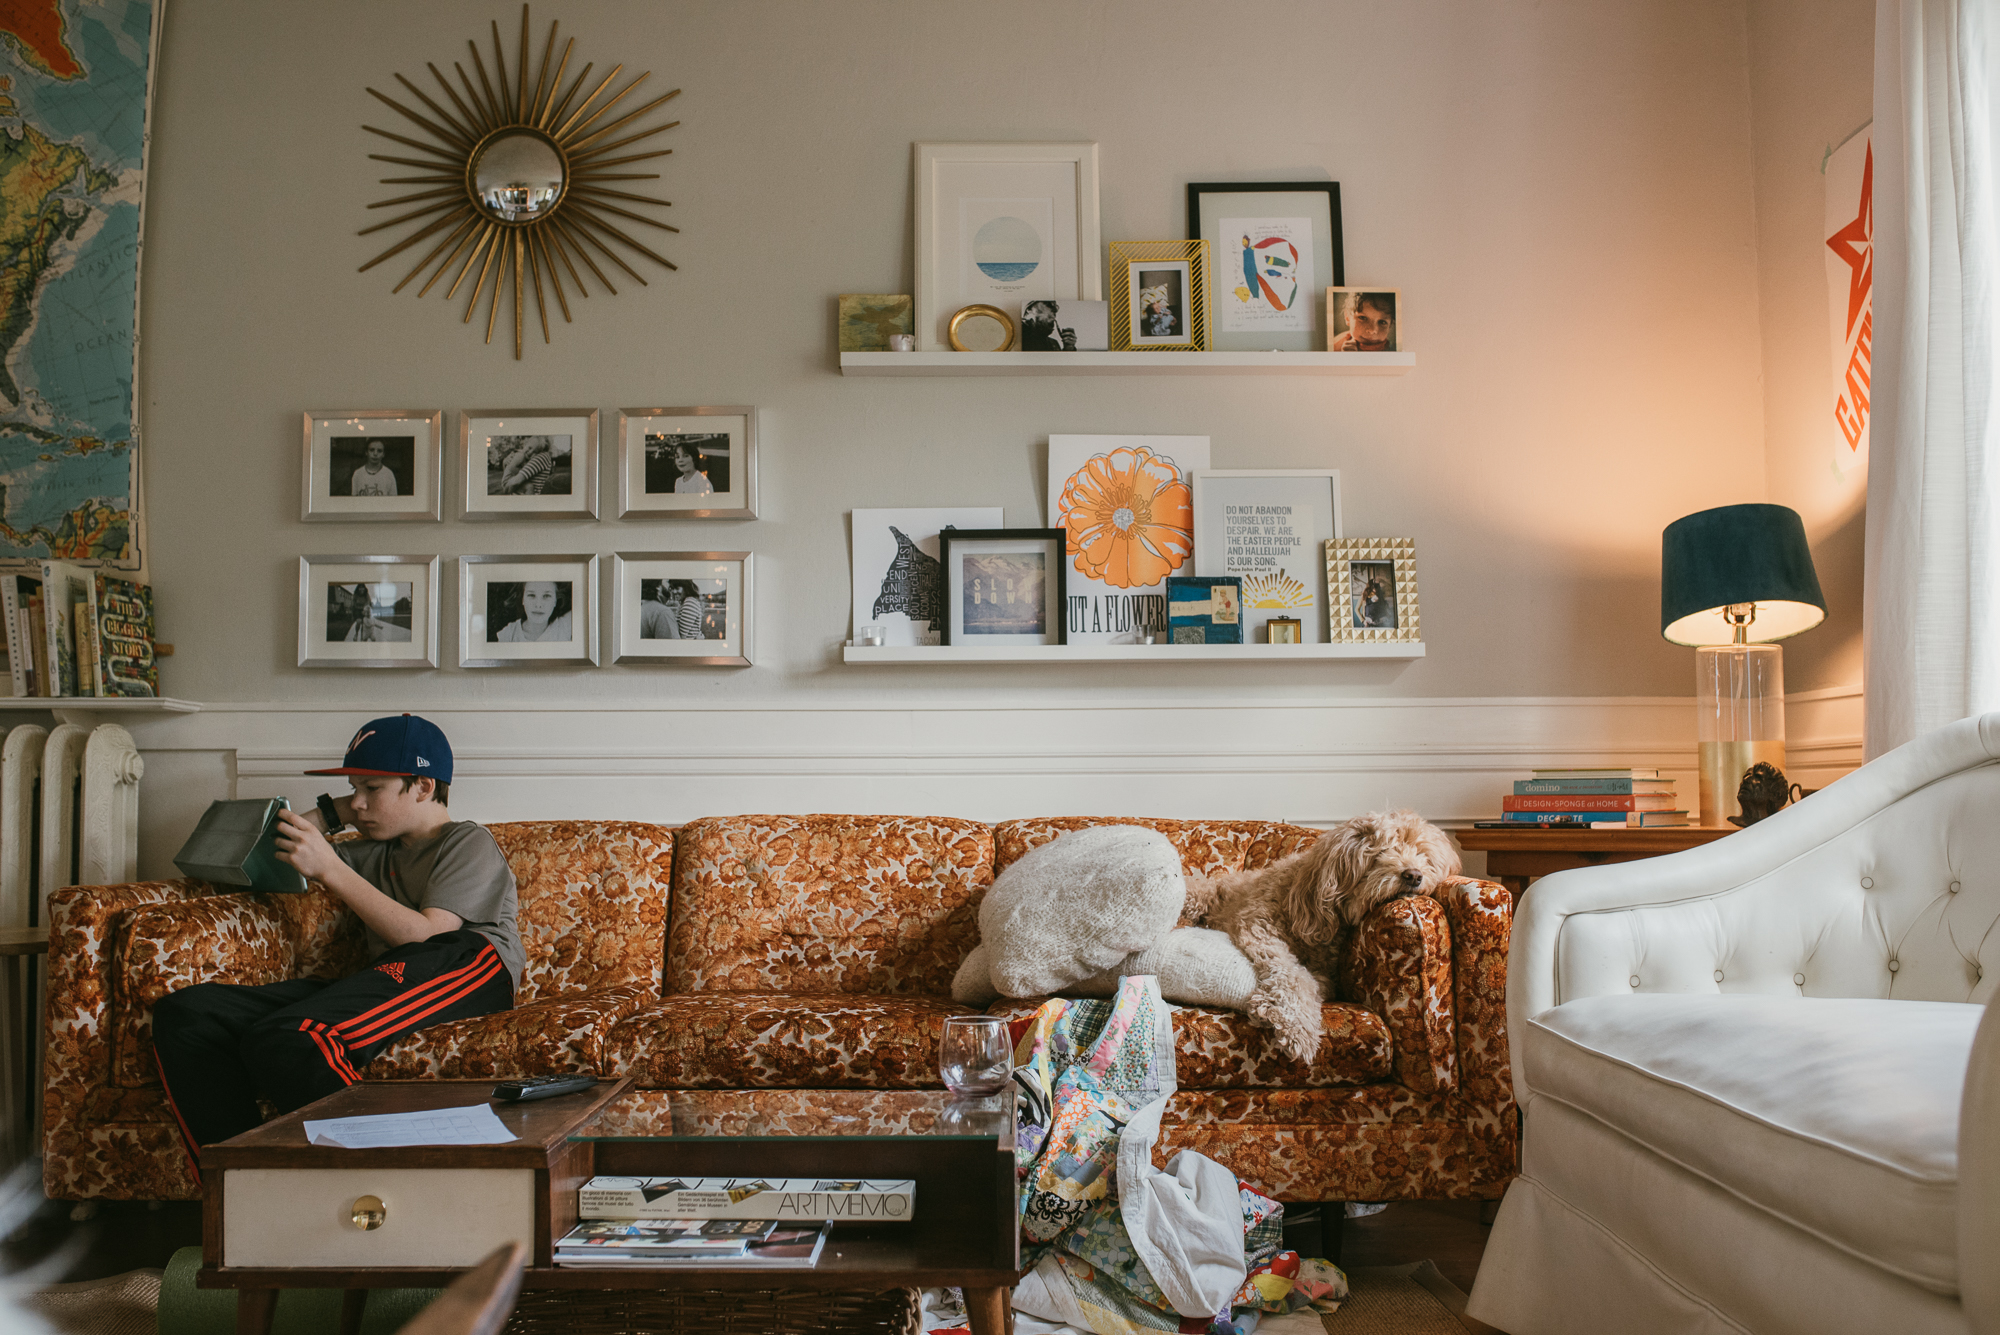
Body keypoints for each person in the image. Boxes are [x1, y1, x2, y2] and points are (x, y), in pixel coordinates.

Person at [150, 715, 521, 1175]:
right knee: (189, 1014)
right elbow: (265, 853)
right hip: (388, 974)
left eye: (371, 789)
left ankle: (391, 1183)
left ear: (423, 786)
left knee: (294, 1038)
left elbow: (429, 936)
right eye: (352, 790)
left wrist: (329, 867)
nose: (359, 803)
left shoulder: (467, 840)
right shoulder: (375, 848)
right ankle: (241, 1188)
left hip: (467, 963)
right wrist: (335, 813)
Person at [494, 581, 572, 642]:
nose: (538, 605)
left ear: (555, 601)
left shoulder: (563, 628)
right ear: (523, 599)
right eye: (531, 595)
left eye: (546, 596)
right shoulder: (509, 634)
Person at [1330, 292, 1396, 351]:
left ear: (1390, 325)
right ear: (1347, 318)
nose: (1372, 330)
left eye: (1382, 322)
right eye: (1362, 318)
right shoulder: (1334, 346)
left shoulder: (1395, 351)